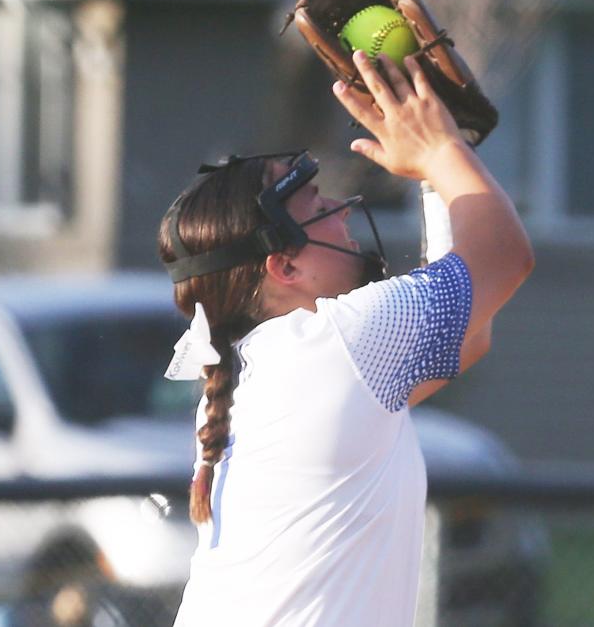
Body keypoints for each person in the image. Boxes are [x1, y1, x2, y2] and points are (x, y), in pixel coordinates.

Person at [158, 50, 533, 627]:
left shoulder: (277, 361)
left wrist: (441, 171)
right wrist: (440, 151)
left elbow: (468, 338)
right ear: (283, 266)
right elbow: (505, 255)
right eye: (316, 207)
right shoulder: (333, 345)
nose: (339, 209)